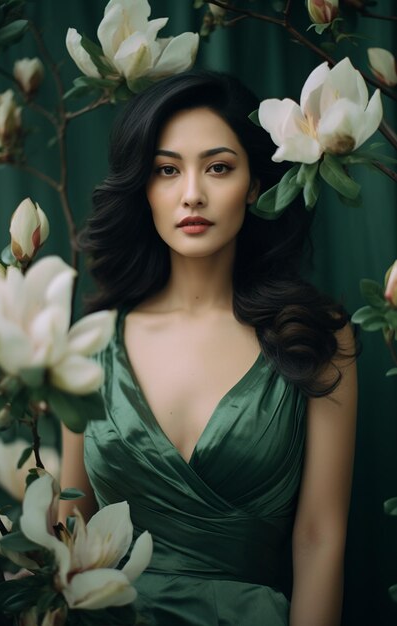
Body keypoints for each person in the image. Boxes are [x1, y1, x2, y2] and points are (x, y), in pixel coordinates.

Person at [61, 70, 357, 626]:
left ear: (254, 183)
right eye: (166, 170)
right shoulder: (90, 341)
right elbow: (67, 524)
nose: (191, 192)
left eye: (218, 167)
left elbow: (320, 539)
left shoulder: (316, 336)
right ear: (143, 187)